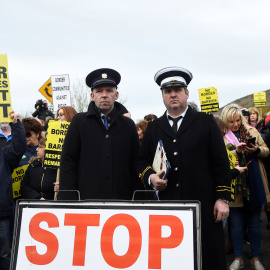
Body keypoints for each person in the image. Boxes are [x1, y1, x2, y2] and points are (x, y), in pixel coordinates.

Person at [136, 66, 231, 270]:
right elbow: (141, 161)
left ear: (187, 93)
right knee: (172, 260)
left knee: (207, 259)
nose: (173, 94)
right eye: (167, 91)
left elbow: (221, 163)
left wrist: (222, 199)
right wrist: (151, 177)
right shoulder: (154, 127)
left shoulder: (205, 122)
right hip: (168, 208)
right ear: (162, 96)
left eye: (178, 89)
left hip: (203, 205)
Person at [59, 68, 140, 200]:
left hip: (121, 199)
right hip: (87, 198)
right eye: (99, 91)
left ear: (116, 95)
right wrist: (68, 197)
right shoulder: (79, 122)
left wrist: (137, 199)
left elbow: (135, 163)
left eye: (109, 90)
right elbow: (68, 161)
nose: (104, 95)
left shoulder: (128, 125)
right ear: (92, 96)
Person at [221, 104, 269, 270]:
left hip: (253, 182)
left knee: (255, 224)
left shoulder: (252, 131)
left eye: (237, 120)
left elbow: (266, 150)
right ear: (225, 121)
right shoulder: (221, 135)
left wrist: (256, 150)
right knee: (236, 224)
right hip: (234, 185)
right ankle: (238, 258)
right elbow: (220, 158)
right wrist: (237, 152)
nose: (235, 124)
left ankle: (255, 258)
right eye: (231, 121)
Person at [0, 111, 26, 270]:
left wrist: (16, 124)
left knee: (5, 254)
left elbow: (19, 147)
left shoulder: (4, 155)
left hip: (1, 214)